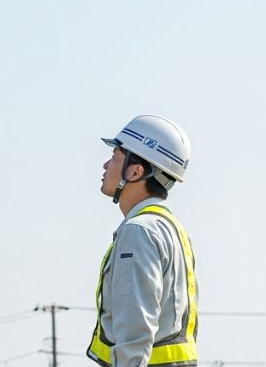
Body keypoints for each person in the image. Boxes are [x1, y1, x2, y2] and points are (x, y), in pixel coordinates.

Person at [88, 115, 198, 365]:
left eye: (115, 157)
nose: (106, 165)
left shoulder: (139, 231)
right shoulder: (170, 228)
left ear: (135, 171)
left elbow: (135, 333)